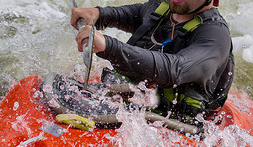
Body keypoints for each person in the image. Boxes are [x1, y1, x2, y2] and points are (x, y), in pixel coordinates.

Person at [70, 0, 233, 122]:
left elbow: (174, 69)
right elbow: (129, 15)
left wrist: (109, 46)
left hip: (179, 128)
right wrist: (99, 14)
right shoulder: (160, 8)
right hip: (139, 108)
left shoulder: (216, 36)